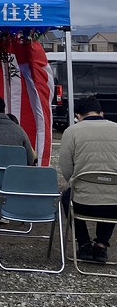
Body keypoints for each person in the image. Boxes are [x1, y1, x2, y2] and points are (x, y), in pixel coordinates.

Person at [59, 95, 117, 264]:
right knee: (111, 194)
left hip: (83, 203)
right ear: (102, 113)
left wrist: (77, 181)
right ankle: (101, 245)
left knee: (66, 196)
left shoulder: (72, 131)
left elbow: (66, 167)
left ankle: (84, 243)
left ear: (78, 116)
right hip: (114, 205)